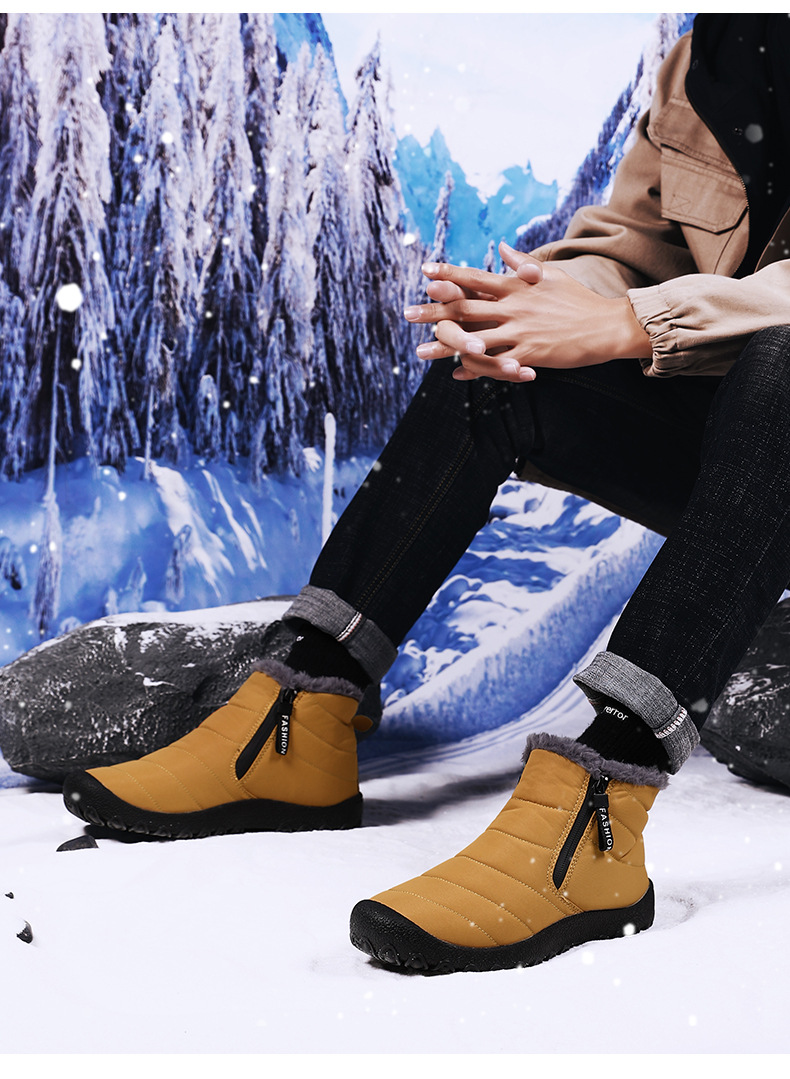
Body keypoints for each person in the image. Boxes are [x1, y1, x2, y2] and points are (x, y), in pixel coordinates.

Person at [62, 15, 790, 974]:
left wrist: (631, 323)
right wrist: (543, 303)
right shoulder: (722, 50)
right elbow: (638, 241)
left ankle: (601, 809)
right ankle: (300, 711)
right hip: (752, 466)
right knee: (494, 368)